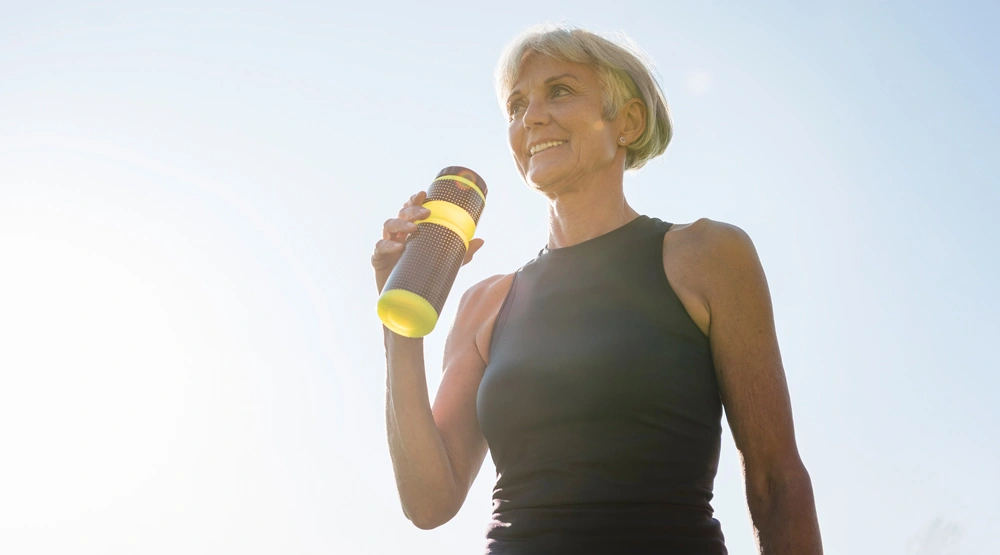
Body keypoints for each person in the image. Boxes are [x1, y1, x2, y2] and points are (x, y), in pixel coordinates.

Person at [371, 23, 822, 555]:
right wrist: (398, 316)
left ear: (627, 121)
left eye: (559, 91)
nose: (531, 116)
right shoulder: (484, 304)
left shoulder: (707, 257)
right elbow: (428, 503)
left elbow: (776, 481)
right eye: (516, 105)